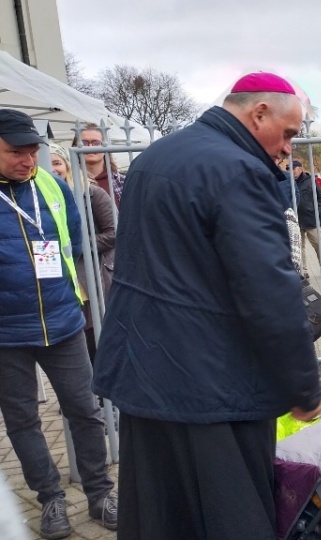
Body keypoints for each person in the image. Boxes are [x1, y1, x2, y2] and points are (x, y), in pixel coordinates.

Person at [92, 73, 321, 539]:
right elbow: (269, 293)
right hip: (212, 382)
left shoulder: (157, 155)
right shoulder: (239, 169)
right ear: (259, 112)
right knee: (229, 514)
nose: (287, 149)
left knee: (161, 512)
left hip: (147, 367)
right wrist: (305, 387)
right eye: (289, 133)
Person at [0, 108, 117, 539]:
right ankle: (50, 498)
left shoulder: (51, 184)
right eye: (16, 152)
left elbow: (72, 234)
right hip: (6, 333)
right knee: (23, 420)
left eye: (32, 151)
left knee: (86, 411)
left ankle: (100, 493)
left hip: (64, 319)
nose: (28, 160)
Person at [48, 143, 116, 365]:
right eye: (46, 164)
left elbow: (115, 232)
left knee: (100, 340)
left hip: (93, 277)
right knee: (81, 345)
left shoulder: (93, 193)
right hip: (62, 280)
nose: (52, 169)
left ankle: (106, 397)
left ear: (67, 164)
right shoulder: (41, 198)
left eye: (57, 162)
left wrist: (76, 245)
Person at [72, 123, 123, 208]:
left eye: (96, 143)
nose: (90, 147)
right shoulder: (70, 182)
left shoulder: (122, 182)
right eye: (84, 143)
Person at [294, 160, 321, 277]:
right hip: (296, 220)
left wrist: (315, 211)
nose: (291, 171)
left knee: (318, 244)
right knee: (299, 246)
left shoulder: (310, 182)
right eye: (289, 169)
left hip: (310, 219)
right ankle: (304, 270)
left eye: (293, 169)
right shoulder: (289, 182)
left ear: (300, 169)